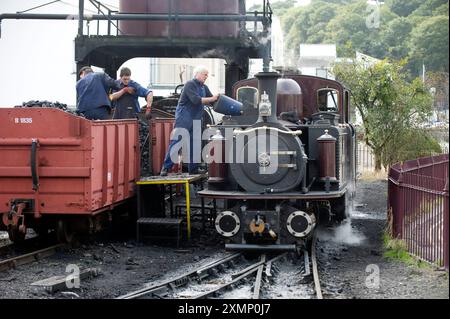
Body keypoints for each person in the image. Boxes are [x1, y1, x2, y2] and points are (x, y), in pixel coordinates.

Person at [160, 65, 219, 176]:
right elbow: (196, 100)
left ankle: (193, 169)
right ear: (197, 74)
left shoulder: (204, 87)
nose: (206, 76)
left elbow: (212, 101)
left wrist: (220, 100)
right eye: (204, 74)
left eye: (207, 75)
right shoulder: (190, 84)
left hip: (196, 118)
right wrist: (212, 98)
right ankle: (166, 167)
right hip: (184, 117)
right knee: (178, 141)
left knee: (195, 144)